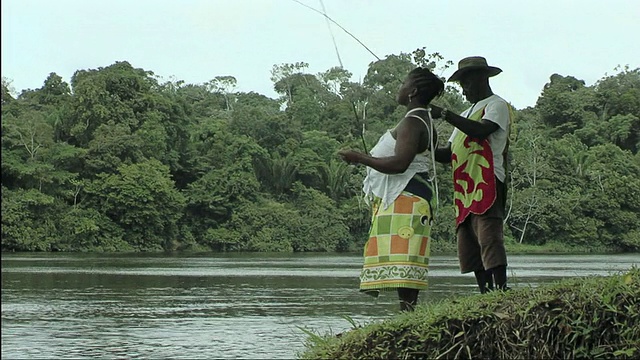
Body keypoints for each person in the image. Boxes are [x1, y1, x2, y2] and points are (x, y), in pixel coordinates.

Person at [338, 67, 444, 311]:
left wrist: (359, 157)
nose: (400, 89)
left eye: (403, 84)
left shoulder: (412, 122)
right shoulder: (424, 120)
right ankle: (407, 313)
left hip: (406, 195)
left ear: (413, 91)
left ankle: (407, 313)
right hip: (411, 196)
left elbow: (399, 164)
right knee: (405, 258)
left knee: (404, 259)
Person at [430, 56, 514, 293]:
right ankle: (484, 292)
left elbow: (481, 131)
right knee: (469, 241)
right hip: (465, 187)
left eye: (466, 83)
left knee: (488, 235)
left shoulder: (496, 105)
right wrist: (426, 143)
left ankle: (501, 288)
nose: (464, 90)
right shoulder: (466, 114)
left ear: (481, 79)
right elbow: (449, 154)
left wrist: (445, 114)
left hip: (487, 179)